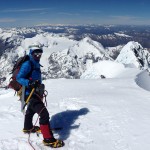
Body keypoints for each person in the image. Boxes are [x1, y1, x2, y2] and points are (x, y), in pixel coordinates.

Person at [16, 44, 64, 148]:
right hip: (30, 94)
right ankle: (48, 139)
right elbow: (19, 78)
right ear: (31, 53)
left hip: (35, 92)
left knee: (31, 110)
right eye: (35, 53)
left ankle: (28, 127)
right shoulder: (28, 64)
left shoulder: (35, 62)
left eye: (40, 53)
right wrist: (30, 83)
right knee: (44, 114)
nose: (38, 55)